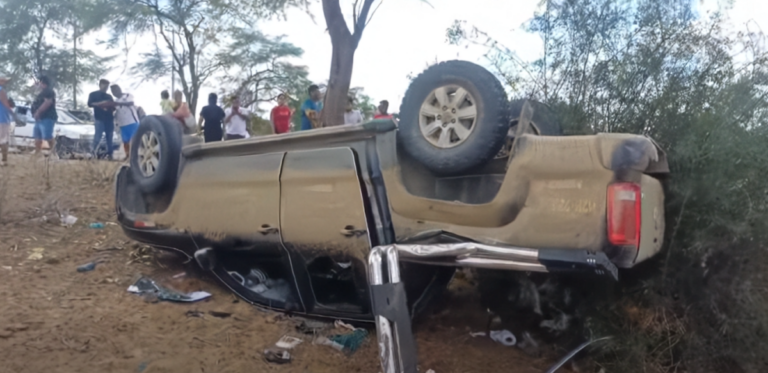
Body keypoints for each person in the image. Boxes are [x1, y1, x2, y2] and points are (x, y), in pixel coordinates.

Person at [109, 84, 140, 159]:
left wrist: (117, 104)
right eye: (113, 91)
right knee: (125, 141)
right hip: (122, 124)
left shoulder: (127, 95)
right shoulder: (115, 101)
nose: (114, 93)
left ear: (119, 89)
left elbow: (131, 103)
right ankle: (128, 156)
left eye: (115, 90)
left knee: (136, 140)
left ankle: (137, 156)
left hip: (132, 122)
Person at [87, 79, 115, 159]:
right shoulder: (93, 94)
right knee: (97, 137)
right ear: (100, 85)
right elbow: (89, 104)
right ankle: (93, 153)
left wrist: (109, 107)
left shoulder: (109, 96)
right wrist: (101, 104)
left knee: (109, 138)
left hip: (109, 119)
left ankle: (110, 155)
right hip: (99, 118)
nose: (106, 87)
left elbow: (113, 107)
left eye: (107, 86)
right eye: (104, 85)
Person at [31, 75, 58, 155]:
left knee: (47, 135)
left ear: (43, 83)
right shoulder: (41, 92)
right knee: (37, 135)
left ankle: (54, 153)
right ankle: (37, 152)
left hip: (47, 117)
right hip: (40, 118)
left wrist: (38, 112)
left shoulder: (48, 91)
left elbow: (48, 102)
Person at [0, 77, 13, 166]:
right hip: (3, 118)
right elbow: (6, 104)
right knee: (3, 140)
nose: (5, 82)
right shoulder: (1, 91)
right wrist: (14, 115)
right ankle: (4, 161)